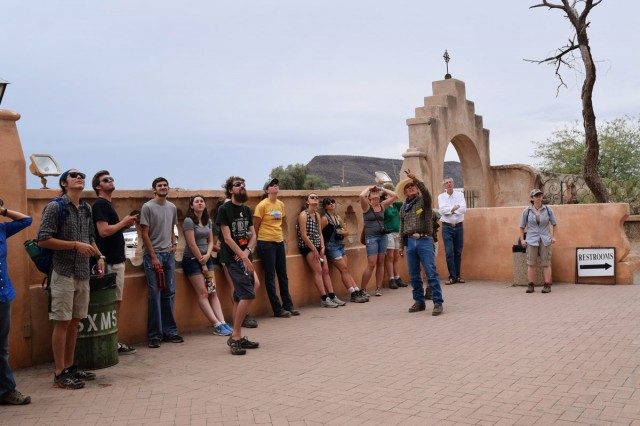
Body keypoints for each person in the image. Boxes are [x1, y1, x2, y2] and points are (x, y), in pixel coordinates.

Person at [37, 169, 104, 389]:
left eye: (82, 174)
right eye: (74, 175)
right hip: (63, 271)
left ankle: (70, 367)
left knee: (75, 322)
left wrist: (99, 255)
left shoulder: (86, 208)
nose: (79, 177)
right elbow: (43, 239)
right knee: (62, 321)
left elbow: (90, 237)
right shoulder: (55, 207)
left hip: (83, 272)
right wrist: (74, 245)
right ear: (64, 182)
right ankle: (59, 373)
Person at [91, 170, 138, 355]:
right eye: (105, 180)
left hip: (116, 261)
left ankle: (112, 340)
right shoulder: (100, 205)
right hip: (109, 262)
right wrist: (124, 223)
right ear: (98, 186)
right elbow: (103, 231)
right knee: (111, 303)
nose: (110, 181)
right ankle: (111, 342)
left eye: (111, 179)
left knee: (115, 302)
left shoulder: (106, 204)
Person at [217, 176, 261, 355]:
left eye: (243, 184)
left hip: (244, 257)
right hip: (232, 258)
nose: (242, 187)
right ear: (230, 190)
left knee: (246, 292)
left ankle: (238, 335)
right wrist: (242, 256)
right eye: (237, 185)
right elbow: (227, 238)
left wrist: (247, 252)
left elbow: (253, 235)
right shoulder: (224, 210)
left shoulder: (246, 209)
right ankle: (235, 336)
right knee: (248, 293)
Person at [140, 177, 182, 349]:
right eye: (159, 186)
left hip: (168, 255)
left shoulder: (172, 207)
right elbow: (144, 233)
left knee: (169, 293)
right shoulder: (148, 207)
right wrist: (154, 257)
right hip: (153, 256)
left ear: (168, 188)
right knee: (155, 295)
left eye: (165, 185)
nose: (163, 188)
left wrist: (174, 244)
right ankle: (155, 335)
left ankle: (170, 332)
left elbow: (172, 227)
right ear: (154, 190)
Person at [183, 195, 233, 336]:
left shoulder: (208, 221)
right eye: (196, 201)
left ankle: (222, 322)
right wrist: (202, 260)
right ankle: (216, 324)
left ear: (205, 205)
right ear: (191, 206)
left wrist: (207, 255)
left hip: (207, 259)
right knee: (203, 293)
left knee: (212, 291)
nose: (200, 203)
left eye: (202, 201)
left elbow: (211, 241)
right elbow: (191, 244)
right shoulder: (188, 221)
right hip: (193, 260)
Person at [398, 169, 444, 316]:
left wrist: (415, 179)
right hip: (410, 241)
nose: (410, 188)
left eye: (413, 186)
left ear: (417, 189)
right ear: (404, 193)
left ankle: (437, 303)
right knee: (414, 275)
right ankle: (419, 302)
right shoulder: (403, 208)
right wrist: (400, 245)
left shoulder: (424, 201)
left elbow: (427, 193)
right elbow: (401, 228)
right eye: (408, 187)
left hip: (424, 239)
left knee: (431, 272)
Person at [0, 202, 32, 404]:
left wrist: (3, 211)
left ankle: (6, 391)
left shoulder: (2, 229)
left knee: (2, 348)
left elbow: (26, 220)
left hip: (3, 295)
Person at [253, 178, 299, 318]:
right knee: (270, 275)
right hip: (266, 242)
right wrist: (255, 242)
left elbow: (281, 223)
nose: (275, 186)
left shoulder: (280, 204)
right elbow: (255, 225)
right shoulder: (262, 205)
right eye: (272, 185)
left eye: (276, 184)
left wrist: (283, 239)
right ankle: (277, 309)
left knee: (283, 275)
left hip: (279, 242)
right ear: (267, 190)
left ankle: (288, 305)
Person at [297, 193, 346, 308]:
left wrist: (322, 247)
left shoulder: (317, 215)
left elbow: (320, 233)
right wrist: (314, 250)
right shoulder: (303, 215)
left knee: (326, 270)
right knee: (318, 270)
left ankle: (332, 296)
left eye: (316, 198)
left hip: (318, 246)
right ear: (307, 201)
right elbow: (304, 235)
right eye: (312, 197)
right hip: (307, 247)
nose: (315, 199)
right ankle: (324, 298)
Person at [320, 198, 368, 303]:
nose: (331, 204)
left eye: (333, 202)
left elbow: (346, 232)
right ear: (325, 207)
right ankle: (352, 293)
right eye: (328, 203)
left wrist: (341, 232)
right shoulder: (324, 219)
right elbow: (319, 232)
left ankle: (356, 290)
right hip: (331, 247)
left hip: (340, 245)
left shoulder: (338, 217)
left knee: (346, 269)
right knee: (344, 269)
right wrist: (322, 246)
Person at [359, 185, 397, 297]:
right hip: (371, 237)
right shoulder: (366, 206)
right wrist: (369, 188)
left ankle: (378, 288)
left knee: (381, 262)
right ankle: (363, 289)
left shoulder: (382, 205)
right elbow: (361, 195)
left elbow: (395, 195)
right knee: (371, 264)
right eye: (372, 192)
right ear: (369, 196)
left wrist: (382, 188)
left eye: (376, 192)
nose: (375, 193)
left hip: (383, 236)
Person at [519, 189, 558, 294]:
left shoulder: (548, 210)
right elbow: (521, 226)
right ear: (532, 198)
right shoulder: (526, 211)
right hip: (531, 239)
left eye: (540, 195)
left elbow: (554, 224)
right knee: (531, 263)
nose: (538, 197)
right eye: (536, 196)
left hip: (545, 239)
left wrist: (554, 237)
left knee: (546, 263)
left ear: (542, 197)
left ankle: (547, 285)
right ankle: (531, 284)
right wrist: (522, 239)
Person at [438, 176, 467, 285]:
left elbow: (463, 209)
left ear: (453, 183)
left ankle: (458, 276)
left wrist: (450, 210)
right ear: (444, 185)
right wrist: (454, 209)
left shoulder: (460, 195)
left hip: (459, 226)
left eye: (450, 182)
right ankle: (452, 276)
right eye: (446, 183)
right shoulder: (441, 197)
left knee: (458, 252)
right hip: (447, 227)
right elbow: (442, 211)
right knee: (449, 252)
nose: (449, 184)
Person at [381, 184, 407, 289]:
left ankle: (397, 277)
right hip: (389, 233)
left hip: (398, 233)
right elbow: (395, 195)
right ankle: (391, 278)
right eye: (387, 194)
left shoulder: (396, 205)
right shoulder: (384, 205)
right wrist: (383, 189)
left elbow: (399, 197)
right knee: (390, 256)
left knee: (396, 256)